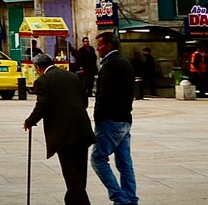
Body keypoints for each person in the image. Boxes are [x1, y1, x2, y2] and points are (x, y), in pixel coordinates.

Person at [23, 51, 95, 205]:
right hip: (82, 129)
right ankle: (71, 201)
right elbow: (84, 101)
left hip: (63, 133)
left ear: (38, 67)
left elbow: (42, 105)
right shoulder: (72, 76)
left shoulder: (43, 81)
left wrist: (30, 121)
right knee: (80, 172)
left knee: (71, 174)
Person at [91, 32, 137, 205]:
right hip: (125, 119)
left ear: (109, 46)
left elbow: (104, 96)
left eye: (100, 45)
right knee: (125, 163)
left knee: (98, 159)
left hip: (110, 120)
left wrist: (98, 118)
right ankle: (131, 199)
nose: (98, 49)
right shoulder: (125, 63)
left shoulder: (110, 65)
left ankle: (120, 198)